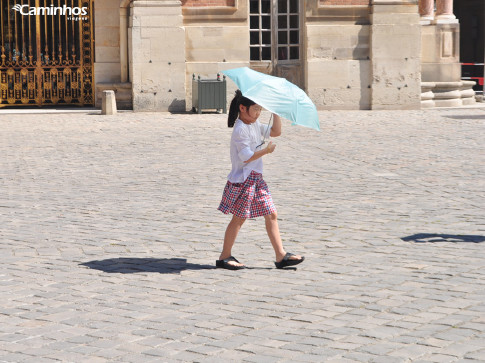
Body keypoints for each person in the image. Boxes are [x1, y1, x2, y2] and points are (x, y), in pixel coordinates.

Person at [216, 90, 305, 270]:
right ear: (243, 108)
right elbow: (246, 157)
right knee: (239, 219)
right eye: (255, 109)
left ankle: (281, 256)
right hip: (243, 180)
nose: (258, 113)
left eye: (260, 109)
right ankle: (224, 257)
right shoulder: (240, 129)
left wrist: (276, 111)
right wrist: (266, 151)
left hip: (256, 179)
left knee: (271, 214)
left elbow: (276, 131)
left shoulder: (254, 124)